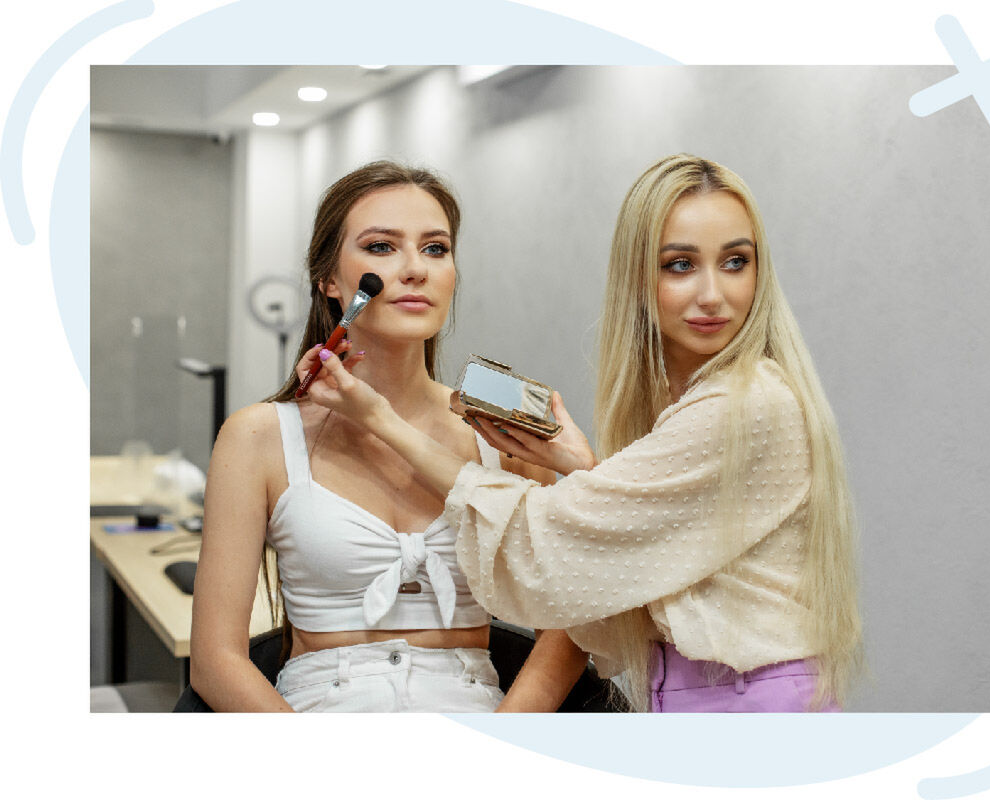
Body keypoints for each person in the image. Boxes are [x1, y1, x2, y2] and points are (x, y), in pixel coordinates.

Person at [298, 153, 863, 712]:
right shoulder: (263, 436)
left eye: (736, 261)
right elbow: (627, 560)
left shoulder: (747, 405)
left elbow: (552, 549)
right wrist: (584, 469)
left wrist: (378, 421)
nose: (713, 295)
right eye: (680, 265)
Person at [189, 161, 589, 712]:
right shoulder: (258, 436)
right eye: (381, 247)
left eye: (435, 249)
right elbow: (215, 662)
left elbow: (572, 617)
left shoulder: (505, 435)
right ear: (329, 280)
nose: (414, 269)